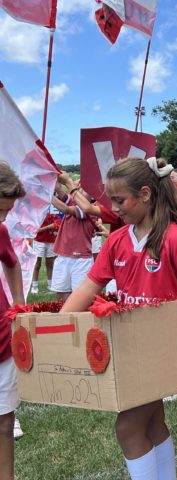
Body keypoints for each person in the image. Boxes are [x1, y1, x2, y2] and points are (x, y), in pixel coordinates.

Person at [60, 157, 177, 480]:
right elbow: (88, 287)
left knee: (128, 427)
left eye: (120, 200)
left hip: (166, 352)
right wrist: (58, 327)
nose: (114, 208)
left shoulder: (174, 238)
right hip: (134, 351)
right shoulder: (117, 240)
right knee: (153, 423)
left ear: (145, 194)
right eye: (111, 200)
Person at [0, 162, 26, 480]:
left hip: (2, 341)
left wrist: (19, 303)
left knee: (5, 423)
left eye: (7, 211)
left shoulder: (1, 231)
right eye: (0, 210)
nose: (4, 219)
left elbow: (12, 262)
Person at [50, 182, 96, 302]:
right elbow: (58, 188)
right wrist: (52, 178)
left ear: (93, 196)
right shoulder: (73, 202)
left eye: (83, 189)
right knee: (61, 295)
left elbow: (65, 209)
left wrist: (47, 194)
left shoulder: (91, 210)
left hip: (81, 260)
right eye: (79, 188)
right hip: (63, 256)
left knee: (79, 298)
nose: (79, 190)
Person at [30, 208, 59, 294]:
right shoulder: (36, 212)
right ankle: (34, 286)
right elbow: (33, 226)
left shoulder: (53, 211)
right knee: (37, 264)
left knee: (50, 264)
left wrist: (43, 229)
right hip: (39, 241)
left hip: (51, 241)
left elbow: (57, 223)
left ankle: (50, 285)